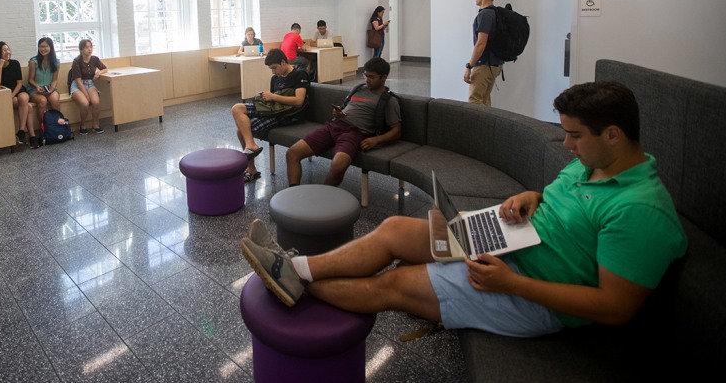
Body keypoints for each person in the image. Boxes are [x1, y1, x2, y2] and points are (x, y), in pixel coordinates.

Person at [242, 81, 688, 340]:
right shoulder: (589, 165)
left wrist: (512, 282)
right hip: (508, 242)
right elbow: (563, 202)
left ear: (612, 134)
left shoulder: (640, 211)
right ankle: (295, 266)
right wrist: (533, 197)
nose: (566, 146)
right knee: (396, 228)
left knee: (394, 283)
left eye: (574, 136)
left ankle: (291, 281)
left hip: (530, 289)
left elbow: (614, 308)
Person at [285, 57, 401, 187]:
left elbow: (396, 131)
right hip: (334, 126)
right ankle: (293, 192)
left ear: (384, 77)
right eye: (365, 75)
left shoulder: (389, 100)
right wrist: (338, 113)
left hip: (355, 133)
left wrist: (376, 140)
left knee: (338, 166)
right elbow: (347, 108)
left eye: (371, 77)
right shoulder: (359, 89)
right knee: (292, 153)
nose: (367, 80)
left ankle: (324, 197)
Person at [230, 48, 310, 183]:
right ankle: (251, 153)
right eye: (271, 69)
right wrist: (267, 98)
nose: (273, 72)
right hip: (275, 110)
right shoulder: (275, 79)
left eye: (275, 68)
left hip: (291, 115)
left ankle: (251, 161)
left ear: (283, 62)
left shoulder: (300, 74)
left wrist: (273, 96)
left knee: (241, 127)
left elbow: (298, 101)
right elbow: (275, 102)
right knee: (238, 114)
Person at [0, 41, 38, 148]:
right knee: (28, 106)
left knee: (24, 98)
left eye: (8, 49)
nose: (7, 52)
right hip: (5, 94)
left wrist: (12, 95)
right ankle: (32, 137)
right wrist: (0, 67)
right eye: (4, 50)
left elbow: (19, 83)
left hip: (17, 91)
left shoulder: (15, 63)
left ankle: (21, 131)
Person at [464, 0, 504, 106]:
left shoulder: (485, 15)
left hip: (484, 65)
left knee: (474, 102)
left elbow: (481, 43)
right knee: (485, 100)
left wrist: (469, 66)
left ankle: (475, 126)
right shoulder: (496, 13)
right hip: (495, 65)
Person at [70, 38, 108, 135]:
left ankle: (95, 124)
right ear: (81, 49)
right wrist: (85, 93)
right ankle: (82, 125)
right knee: (85, 103)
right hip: (78, 85)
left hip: (90, 83)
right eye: (87, 47)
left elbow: (105, 68)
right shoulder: (76, 61)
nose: (89, 49)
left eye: (91, 47)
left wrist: (98, 73)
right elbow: (78, 80)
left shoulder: (95, 59)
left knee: (95, 102)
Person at [27, 37, 61, 115]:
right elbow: (30, 80)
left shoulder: (56, 62)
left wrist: (51, 89)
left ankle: (57, 124)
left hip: (49, 88)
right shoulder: (33, 61)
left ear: (51, 47)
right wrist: (37, 87)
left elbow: (54, 80)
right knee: (42, 101)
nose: (43, 49)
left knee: (55, 100)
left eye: (46, 46)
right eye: (41, 47)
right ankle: (43, 125)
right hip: (35, 89)